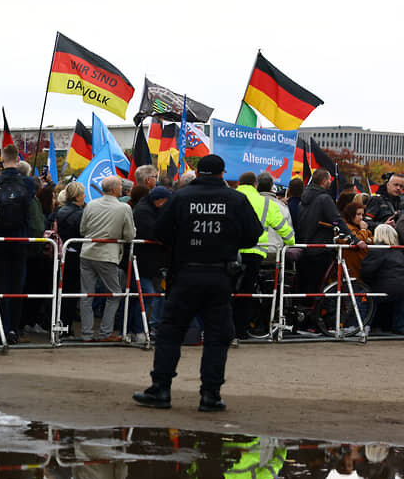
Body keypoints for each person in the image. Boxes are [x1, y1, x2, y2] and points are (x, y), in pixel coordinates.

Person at [133, 154, 263, 412]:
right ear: (222, 174)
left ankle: (161, 389)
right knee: (217, 336)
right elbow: (253, 235)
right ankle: (210, 394)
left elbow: (160, 232)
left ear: (199, 173)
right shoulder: (236, 199)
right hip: (220, 275)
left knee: (170, 333)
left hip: (185, 273)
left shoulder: (180, 197)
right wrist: (227, 240)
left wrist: (183, 241)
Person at [0, 144, 44, 344]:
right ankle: (13, 330)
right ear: (18, 159)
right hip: (19, 240)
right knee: (16, 287)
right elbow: (31, 198)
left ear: (1, 160)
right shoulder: (28, 183)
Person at [234, 171, 294, 340]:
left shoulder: (231, 197)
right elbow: (284, 228)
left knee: (229, 291)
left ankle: (226, 328)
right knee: (247, 293)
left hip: (232, 252)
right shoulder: (265, 203)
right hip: (256, 252)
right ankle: (241, 331)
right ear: (255, 185)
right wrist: (291, 242)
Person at [78, 177, 135, 342]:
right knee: (115, 294)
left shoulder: (91, 204)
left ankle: (87, 334)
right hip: (107, 256)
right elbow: (129, 235)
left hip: (87, 253)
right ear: (115, 189)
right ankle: (105, 333)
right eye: (120, 185)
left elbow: (82, 229)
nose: (121, 187)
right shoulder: (124, 208)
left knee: (86, 295)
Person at [297, 169, 367, 294]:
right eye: (329, 180)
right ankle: (317, 312)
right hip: (321, 248)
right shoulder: (324, 198)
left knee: (306, 286)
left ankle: (304, 310)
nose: (331, 182)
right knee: (319, 286)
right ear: (324, 181)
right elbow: (337, 221)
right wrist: (355, 239)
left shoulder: (303, 200)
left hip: (305, 247)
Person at [131, 186, 170, 335]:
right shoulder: (143, 211)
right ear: (159, 200)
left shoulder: (149, 209)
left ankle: (144, 329)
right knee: (146, 296)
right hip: (144, 262)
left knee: (150, 296)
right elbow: (154, 233)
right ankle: (140, 331)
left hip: (152, 262)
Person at [54, 181, 86, 336]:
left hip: (59, 254)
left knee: (59, 291)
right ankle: (65, 328)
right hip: (75, 255)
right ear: (79, 196)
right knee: (71, 294)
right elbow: (84, 232)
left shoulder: (58, 211)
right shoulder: (80, 214)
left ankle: (58, 326)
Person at [360, 224, 404, 334]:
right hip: (401, 287)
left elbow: (366, 272)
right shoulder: (399, 251)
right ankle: (399, 326)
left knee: (363, 298)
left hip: (383, 288)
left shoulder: (377, 250)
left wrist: (370, 282)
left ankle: (362, 326)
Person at [342, 201, 373, 278]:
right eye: (358, 214)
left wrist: (366, 237)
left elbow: (373, 239)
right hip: (352, 268)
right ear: (350, 214)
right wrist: (363, 231)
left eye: (362, 215)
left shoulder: (359, 227)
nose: (361, 218)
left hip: (362, 265)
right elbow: (358, 240)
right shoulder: (346, 228)